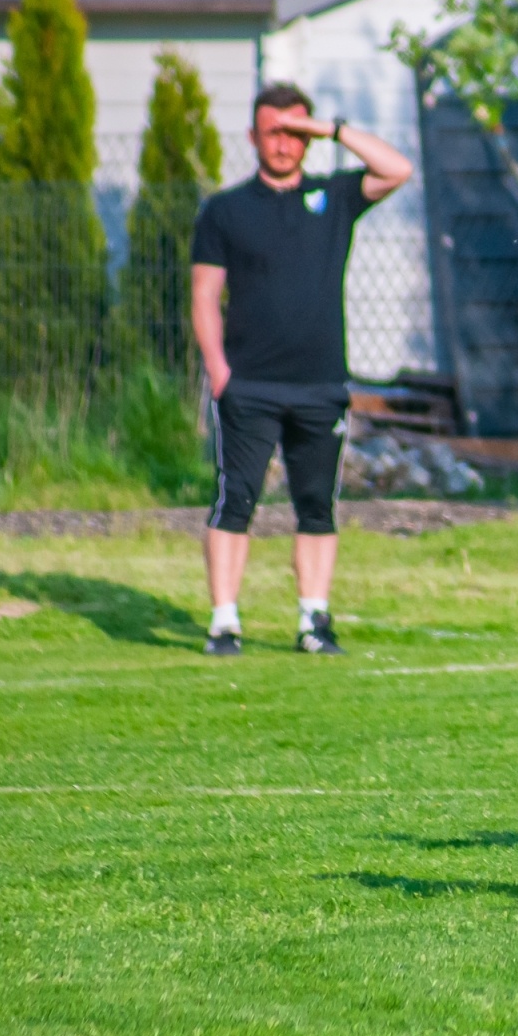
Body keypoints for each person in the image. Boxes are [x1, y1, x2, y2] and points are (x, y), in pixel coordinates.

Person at [191, 82, 413, 657]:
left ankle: (314, 622)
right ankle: (224, 623)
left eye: (295, 133)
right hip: (251, 385)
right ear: (252, 137)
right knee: (235, 499)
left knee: (316, 504)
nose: (284, 144)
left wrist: (333, 131)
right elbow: (204, 294)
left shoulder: (335, 195)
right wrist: (218, 369)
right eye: (274, 132)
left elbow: (398, 169)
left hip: (320, 384)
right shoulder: (225, 210)